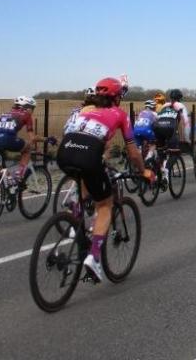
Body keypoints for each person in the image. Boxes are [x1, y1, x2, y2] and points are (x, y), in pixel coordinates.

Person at [56, 77, 153, 282]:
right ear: (116, 97)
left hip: (64, 154)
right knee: (105, 204)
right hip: (89, 156)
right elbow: (133, 153)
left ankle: (76, 222)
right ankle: (95, 257)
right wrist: (143, 171)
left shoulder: (84, 110)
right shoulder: (120, 114)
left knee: (85, 180)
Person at [0, 96, 51, 183]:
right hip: (7, 139)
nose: (32, 111)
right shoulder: (26, 115)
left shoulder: (4, 114)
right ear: (26, 107)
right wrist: (47, 139)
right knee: (27, 149)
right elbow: (32, 138)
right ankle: (19, 175)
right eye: (32, 108)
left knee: (1, 174)